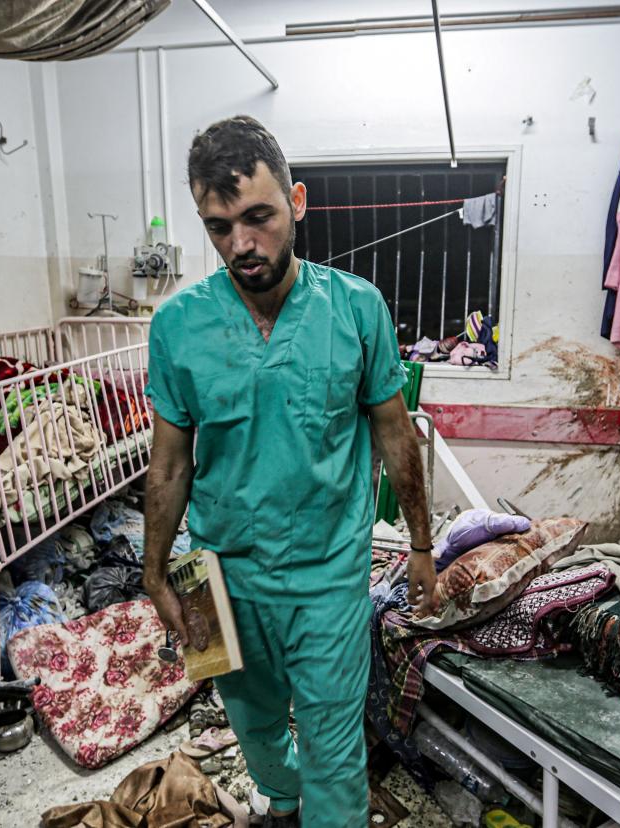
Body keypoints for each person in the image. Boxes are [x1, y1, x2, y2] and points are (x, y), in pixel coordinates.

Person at [142, 115, 437, 828]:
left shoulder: (356, 309)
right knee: (253, 725)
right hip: (216, 573)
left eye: (258, 217)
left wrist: (423, 546)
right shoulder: (177, 325)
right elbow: (170, 463)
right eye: (219, 227)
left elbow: (396, 435)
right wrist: (154, 571)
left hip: (327, 573)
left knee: (336, 750)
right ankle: (281, 798)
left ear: (297, 203)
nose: (241, 244)